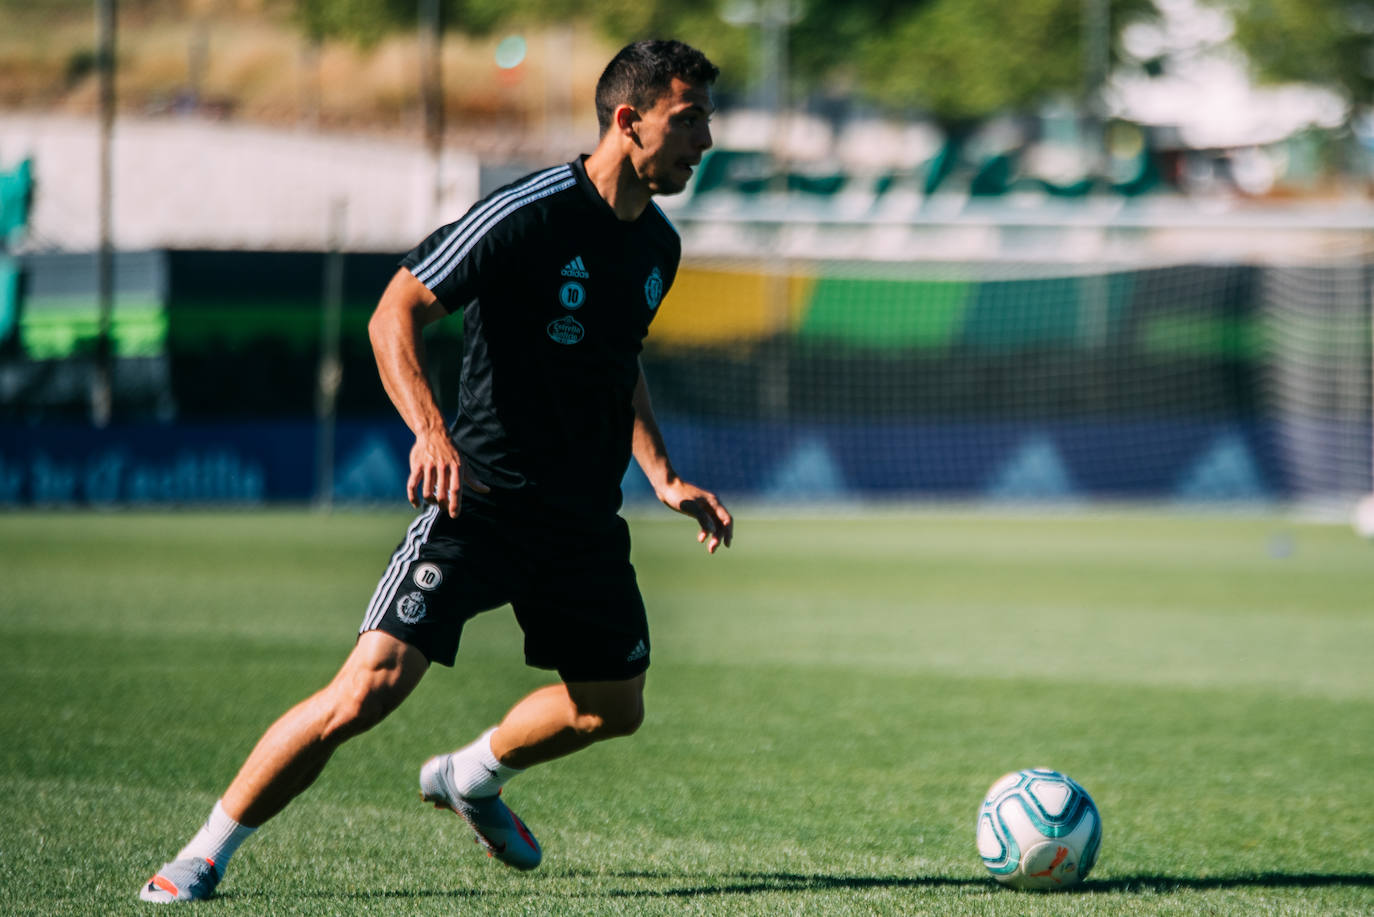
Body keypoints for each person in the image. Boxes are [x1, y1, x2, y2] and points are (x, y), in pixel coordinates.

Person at [140, 39, 730, 903]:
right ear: (627, 118)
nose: (704, 140)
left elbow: (619, 359)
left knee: (613, 707)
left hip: (579, 522)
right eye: (689, 120)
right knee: (364, 692)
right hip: (478, 501)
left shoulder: (658, 247)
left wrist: (665, 474)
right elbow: (396, 309)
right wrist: (430, 431)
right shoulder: (526, 213)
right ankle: (201, 854)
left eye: (705, 120)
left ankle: (473, 774)